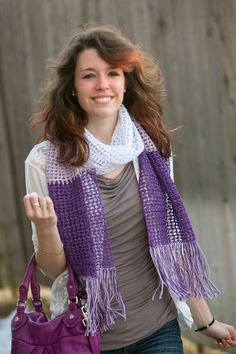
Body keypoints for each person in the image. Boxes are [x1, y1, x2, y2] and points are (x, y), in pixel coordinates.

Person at [23, 25, 236, 353]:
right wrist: (46, 227)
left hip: (158, 330)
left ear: (126, 81)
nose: (103, 84)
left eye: (113, 73)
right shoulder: (43, 163)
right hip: (88, 338)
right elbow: (53, 270)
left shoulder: (152, 149)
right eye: (89, 75)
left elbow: (169, 248)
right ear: (72, 88)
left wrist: (205, 322)